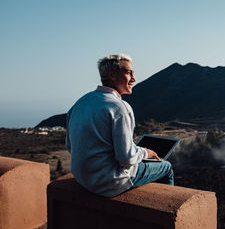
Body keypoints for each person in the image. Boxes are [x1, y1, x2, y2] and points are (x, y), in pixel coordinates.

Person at [66, 54, 174, 197]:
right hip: (109, 182)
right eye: (129, 73)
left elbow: (70, 146)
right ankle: (165, 208)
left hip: (83, 178)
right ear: (111, 75)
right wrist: (145, 152)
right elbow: (126, 158)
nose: (134, 79)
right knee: (166, 167)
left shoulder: (81, 102)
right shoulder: (119, 107)